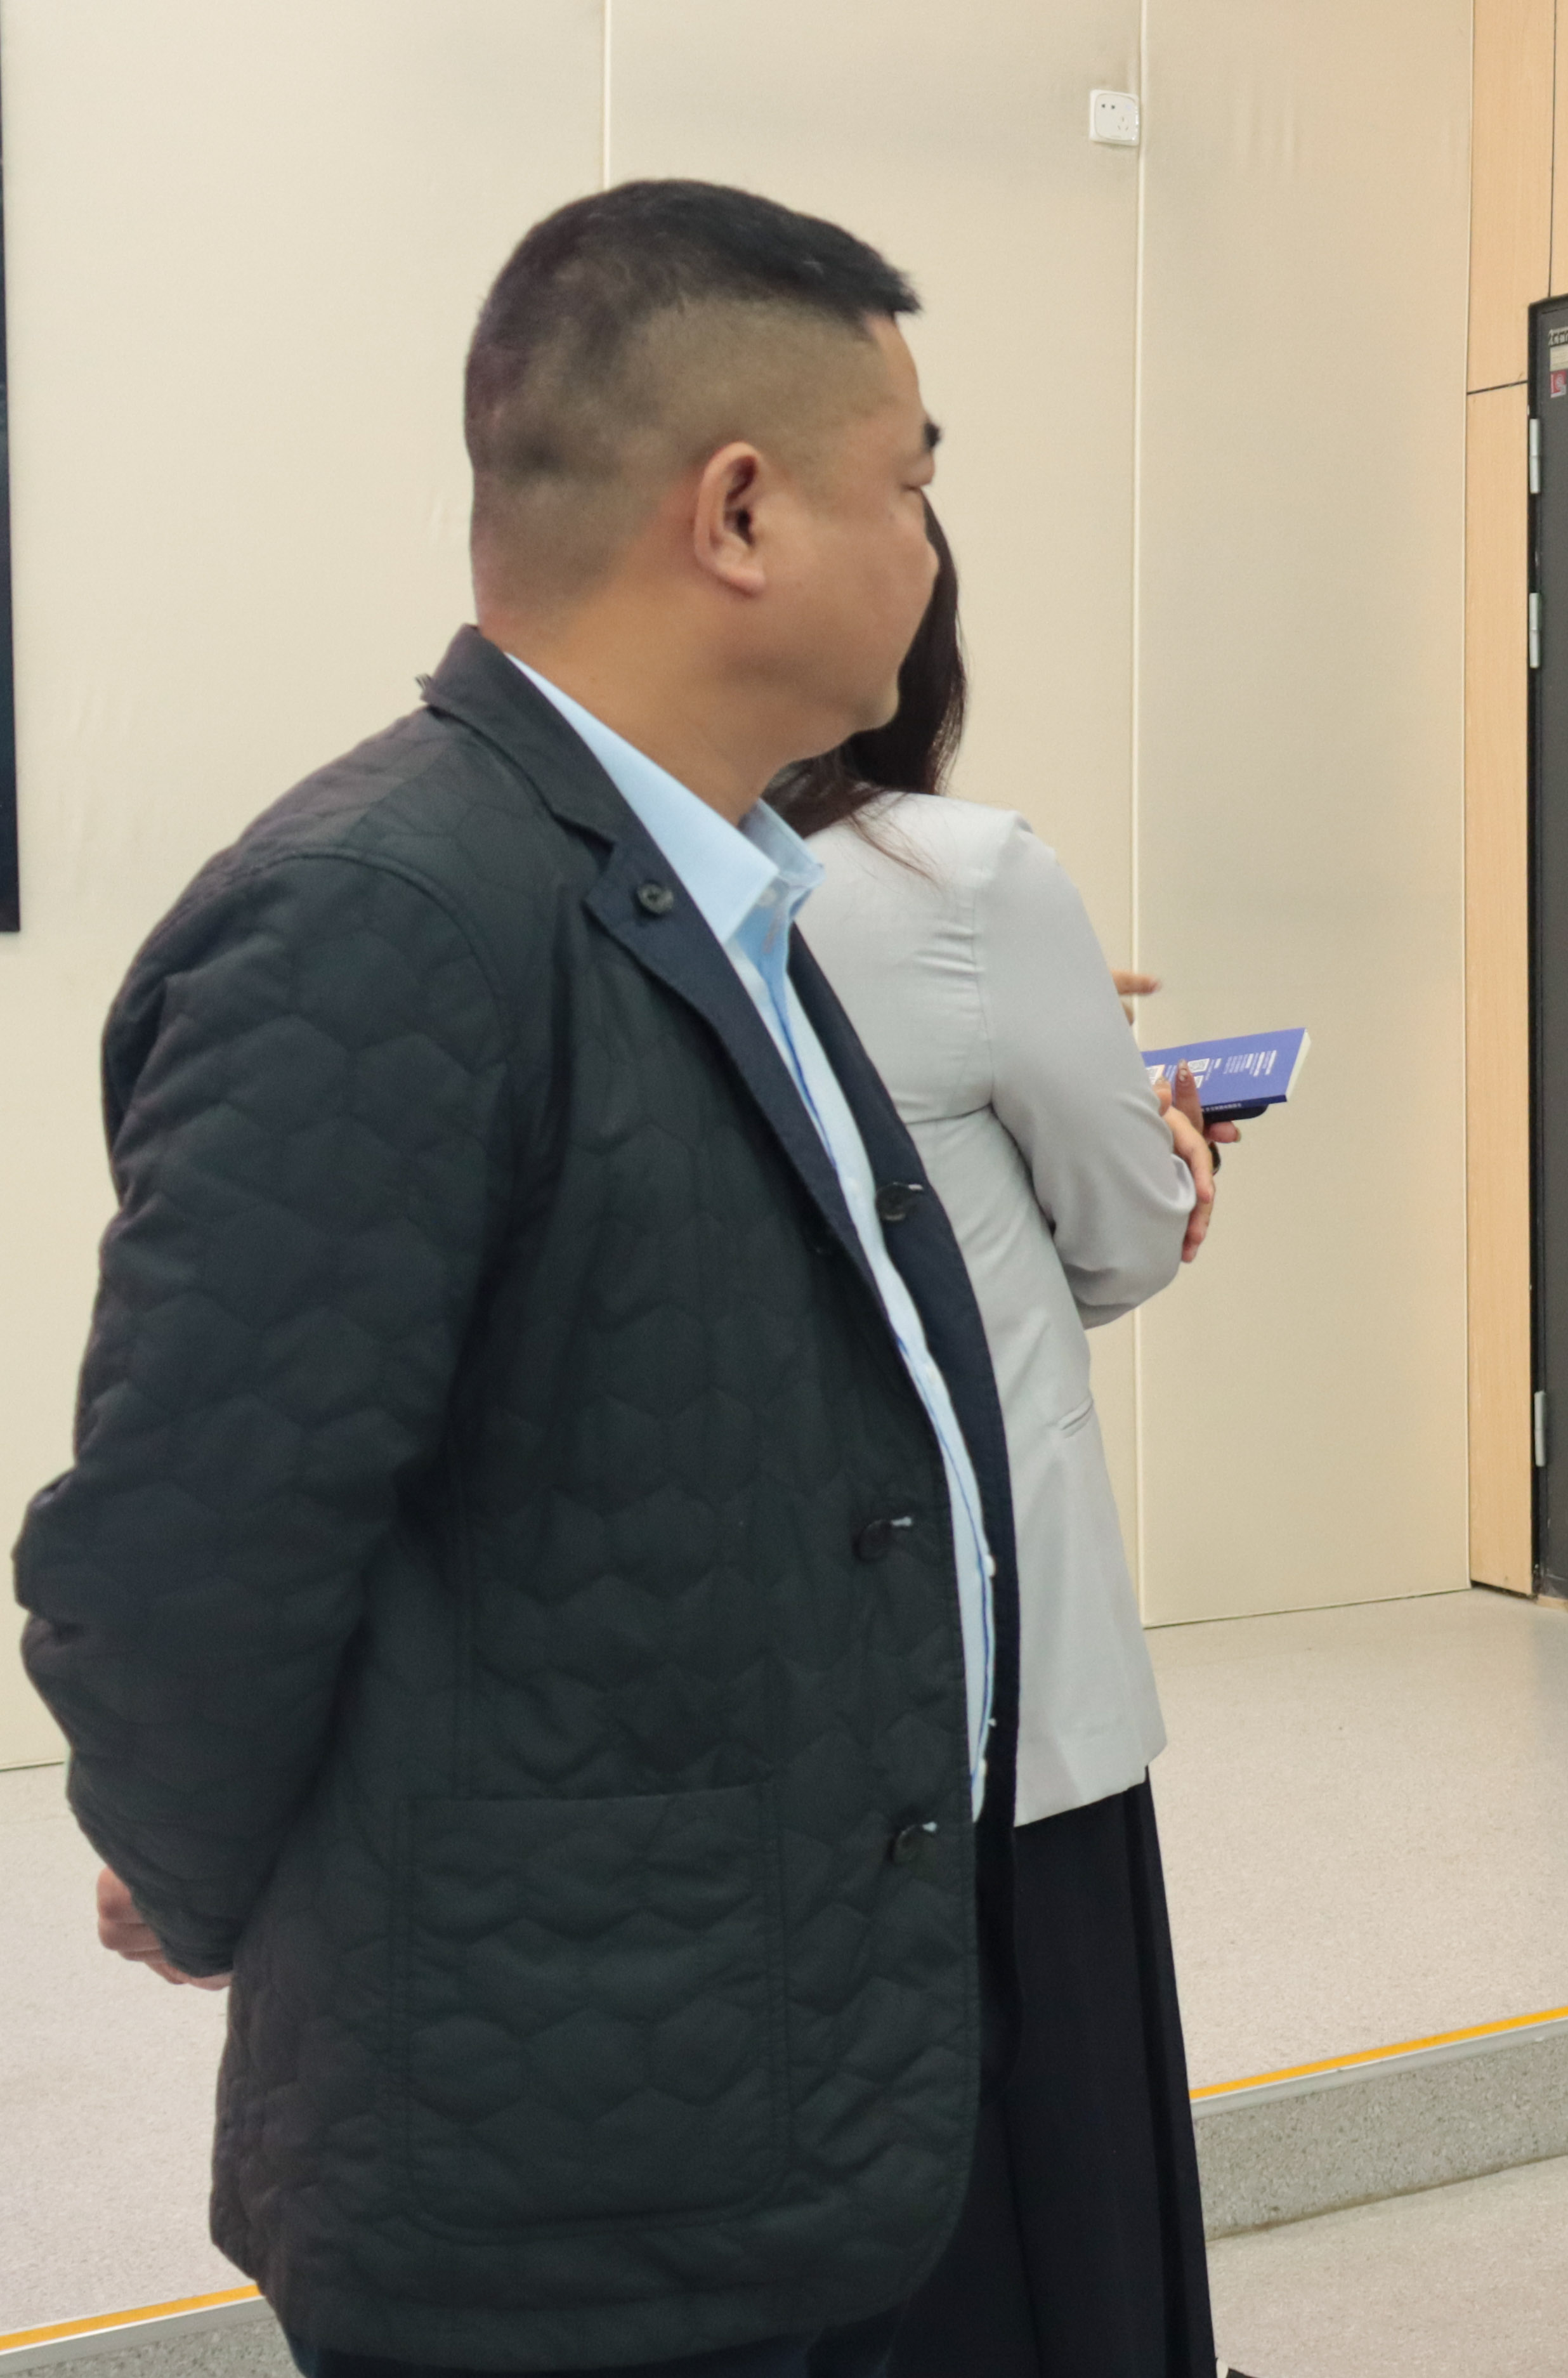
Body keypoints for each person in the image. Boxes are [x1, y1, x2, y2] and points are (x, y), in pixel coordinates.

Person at [19, 183, 1009, 2377]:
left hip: (734, 2087)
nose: (929, 551)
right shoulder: (388, 916)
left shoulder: (692, 893)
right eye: (907, 485)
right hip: (554, 2173)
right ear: (737, 512)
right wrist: (213, 1870)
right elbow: (185, 1542)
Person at [774, 511, 1228, 2375]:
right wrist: (1169, 1149)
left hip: (759, 1689)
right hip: (990, 1654)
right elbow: (1118, 1235)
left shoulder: (620, 890)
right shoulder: (964, 874)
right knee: (1045, 2175)